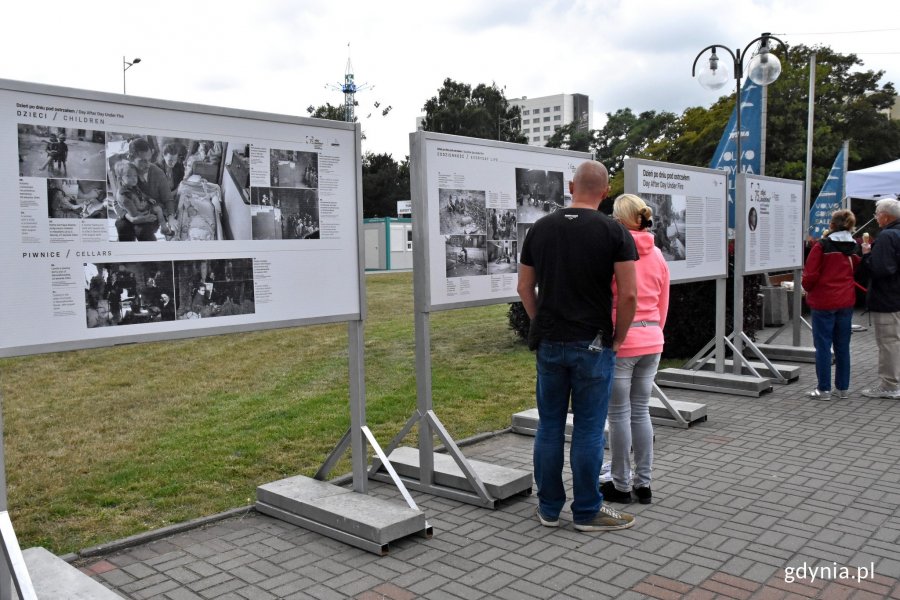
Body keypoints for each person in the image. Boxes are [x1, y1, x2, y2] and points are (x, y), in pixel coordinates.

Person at [517, 161, 638, 532]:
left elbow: (524, 287)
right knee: (587, 428)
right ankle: (587, 511)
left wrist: (541, 321)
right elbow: (630, 294)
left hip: (550, 341)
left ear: (571, 186)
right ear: (606, 192)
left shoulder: (539, 228)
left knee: (549, 426)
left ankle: (549, 509)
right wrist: (617, 337)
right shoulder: (615, 231)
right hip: (594, 342)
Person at [602, 194, 670, 506]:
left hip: (624, 340)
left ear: (619, 219)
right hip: (653, 338)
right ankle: (644, 483)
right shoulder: (657, 254)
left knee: (618, 415)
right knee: (641, 411)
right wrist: (655, 332)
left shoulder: (614, 251)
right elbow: (663, 301)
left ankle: (620, 484)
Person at [801, 209, 861, 399]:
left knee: (823, 346)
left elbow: (810, 275)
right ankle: (842, 389)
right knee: (843, 346)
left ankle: (823, 389)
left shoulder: (822, 246)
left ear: (831, 225)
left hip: (824, 301)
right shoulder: (854, 247)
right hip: (846, 300)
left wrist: (806, 287)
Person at [859, 198, 900, 399]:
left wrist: (867, 255)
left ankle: (889, 385)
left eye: (876, 214)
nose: (875, 218)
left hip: (887, 298)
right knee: (895, 341)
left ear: (885, 216)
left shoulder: (887, 236)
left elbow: (881, 269)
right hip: (896, 297)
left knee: (888, 343)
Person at [113, 160, 171, 241]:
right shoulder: (124, 193)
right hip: (137, 212)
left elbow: (141, 193)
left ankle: (164, 229)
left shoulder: (133, 185)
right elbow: (133, 214)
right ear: (120, 178)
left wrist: (148, 198)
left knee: (143, 228)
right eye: (129, 176)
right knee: (121, 225)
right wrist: (136, 218)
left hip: (142, 207)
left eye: (135, 176)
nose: (133, 179)